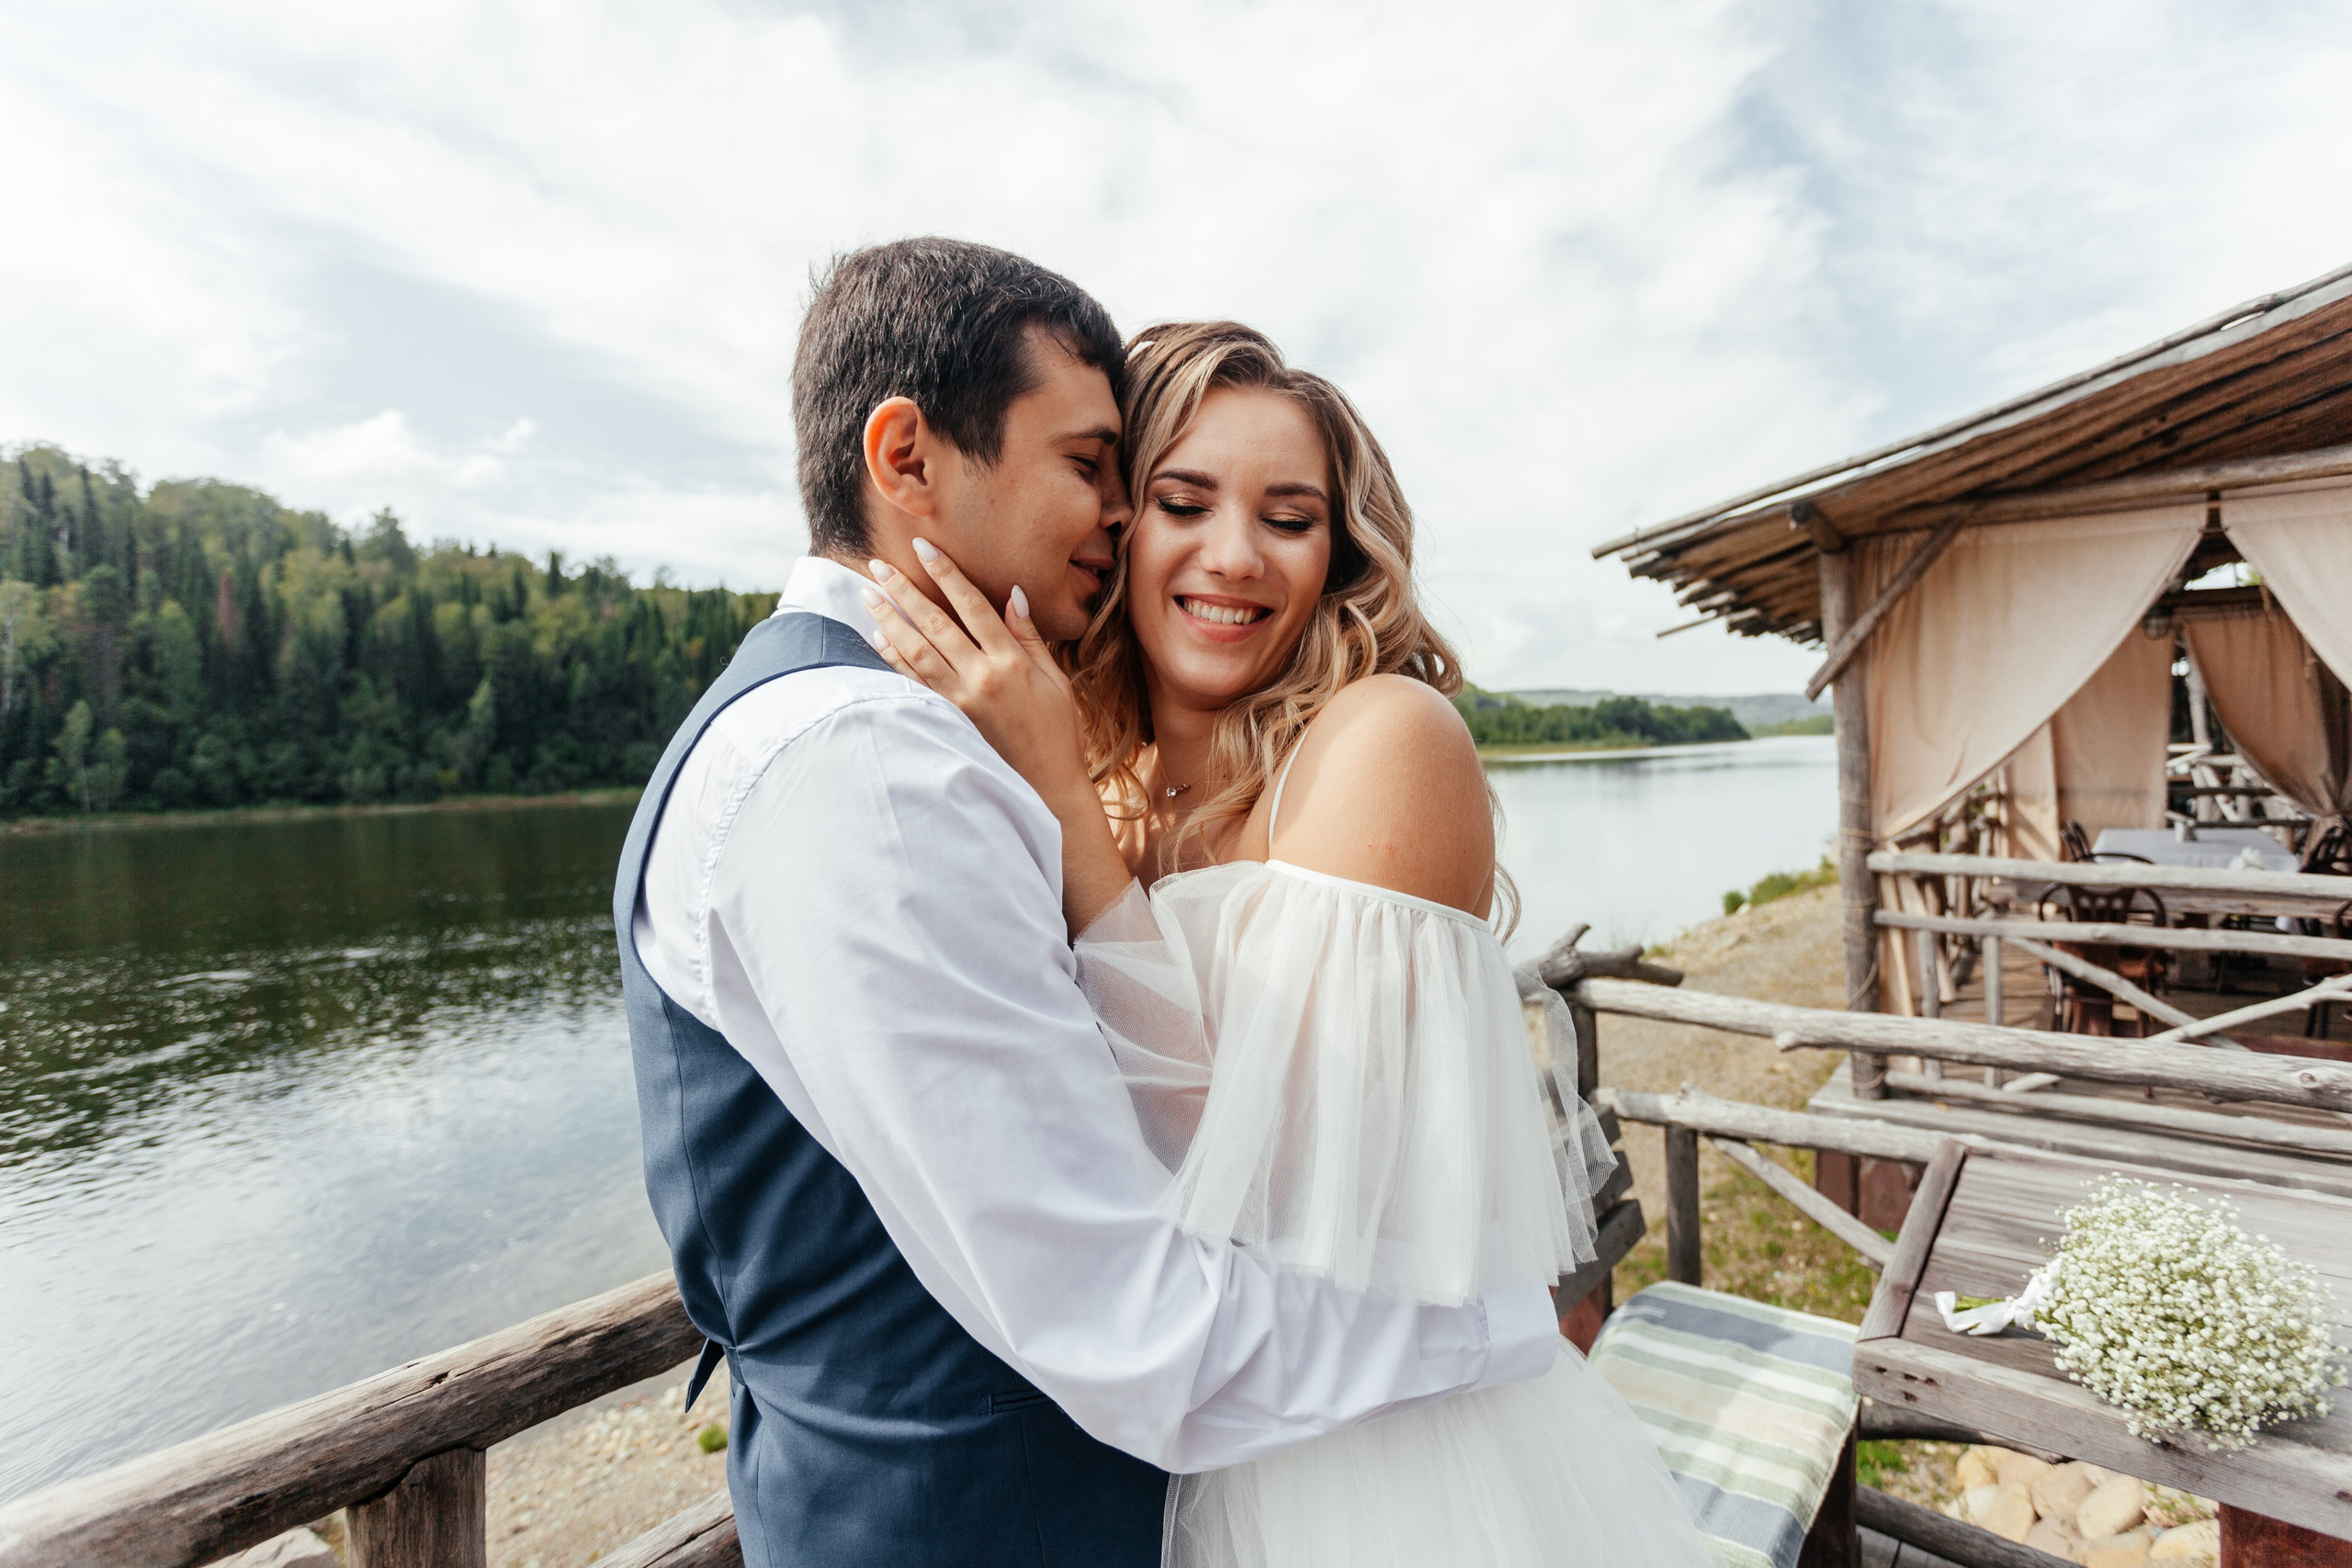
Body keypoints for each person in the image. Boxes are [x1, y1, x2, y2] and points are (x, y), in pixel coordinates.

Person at [614, 242, 1565, 1568]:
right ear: (906, 460)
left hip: (1335, 1465)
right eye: (1125, 484)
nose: (1149, 533)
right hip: (1092, 1480)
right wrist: (1494, 1333)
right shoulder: (878, 768)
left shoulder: (1357, 745)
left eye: (1290, 517)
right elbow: (1118, 1294)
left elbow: (1270, 1191)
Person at [862, 320, 1718, 1568]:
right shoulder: (1111, 787)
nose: (1233, 556)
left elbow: (1269, 1175)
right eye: (1184, 500)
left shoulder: (1385, 742)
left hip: (1380, 1462)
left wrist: (1055, 798)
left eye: (1289, 516)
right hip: (1179, 1446)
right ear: (1118, 528)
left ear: (1337, 554)